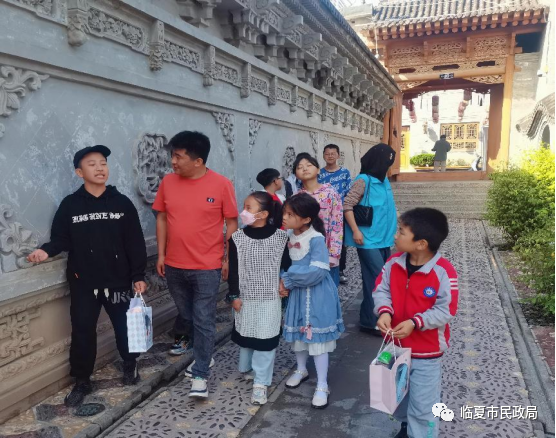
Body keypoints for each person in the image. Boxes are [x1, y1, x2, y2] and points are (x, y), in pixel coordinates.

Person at [27, 145, 148, 408]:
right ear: (79, 172)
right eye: (92, 164)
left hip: (118, 280)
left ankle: (130, 364)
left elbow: (135, 242)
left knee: (124, 327)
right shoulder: (70, 205)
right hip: (84, 283)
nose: (100, 168)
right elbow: (60, 238)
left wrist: (138, 274)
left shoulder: (121, 203)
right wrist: (45, 251)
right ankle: (82, 380)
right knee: (82, 331)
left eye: (103, 163)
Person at [153, 131, 238, 399]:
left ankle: (200, 374)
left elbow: (232, 222)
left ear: (198, 161)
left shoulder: (221, 184)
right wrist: (161, 254)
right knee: (188, 315)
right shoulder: (168, 182)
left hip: (207, 266)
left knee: (203, 319)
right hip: (174, 265)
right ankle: (205, 353)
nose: (173, 162)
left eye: (178, 157)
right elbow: (162, 218)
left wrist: (227, 258)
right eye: (173, 155)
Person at [374, 208, 459, 438]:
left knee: (423, 405)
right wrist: (384, 312)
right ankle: (406, 427)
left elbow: (446, 309)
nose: (395, 235)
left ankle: (421, 433)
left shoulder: (443, 272)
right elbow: (381, 290)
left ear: (421, 244)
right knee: (397, 395)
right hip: (395, 348)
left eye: (401, 232)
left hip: (426, 353)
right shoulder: (393, 262)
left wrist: (416, 322)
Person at [279, 193, 345, 409]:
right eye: (285, 212)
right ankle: (301, 369)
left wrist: (288, 279)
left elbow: (317, 272)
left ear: (306, 219)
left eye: (290, 214)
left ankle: (322, 384)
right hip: (299, 294)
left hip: (316, 294)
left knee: (317, 340)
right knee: (299, 334)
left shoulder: (316, 239)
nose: (285, 217)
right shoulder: (289, 235)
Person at [226, 192, 290, 406]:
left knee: (266, 339)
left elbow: (288, 266)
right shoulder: (237, 238)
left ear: (263, 214)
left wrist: (285, 283)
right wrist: (234, 295)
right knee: (247, 334)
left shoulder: (281, 238)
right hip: (246, 297)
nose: (243, 212)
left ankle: (261, 383)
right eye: (244, 206)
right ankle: (249, 369)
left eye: (248, 208)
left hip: (270, 298)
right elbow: (233, 270)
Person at [344, 144, 397, 336]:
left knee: (376, 279)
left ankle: (369, 319)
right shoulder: (363, 180)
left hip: (384, 238)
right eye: (387, 161)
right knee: (378, 278)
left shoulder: (384, 180)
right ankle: (374, 320)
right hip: (366, 239)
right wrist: (355, 231)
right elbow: (347, 205)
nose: (388, 165)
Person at [294, 153, 343, 287]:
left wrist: (333, 253)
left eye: (309, 165)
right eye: (300, 167)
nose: (305, 169)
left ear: (318, 170)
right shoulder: (297, 197)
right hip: (305, 252)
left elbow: (337, 224)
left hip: (326, 251)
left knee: (329, 289)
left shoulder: (330, 193)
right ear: (296, 174)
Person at [318, 144, 352, 285]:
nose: (330, 156)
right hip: (323, 214)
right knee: (322, 240)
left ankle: (340, 270)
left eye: (333, 153)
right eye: (327, 153)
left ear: (338, 155)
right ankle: (322, 265)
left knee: (339, 241)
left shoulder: (345, 173)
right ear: (323, 155)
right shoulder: (319, 174)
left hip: (339, 213)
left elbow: (349, 192)